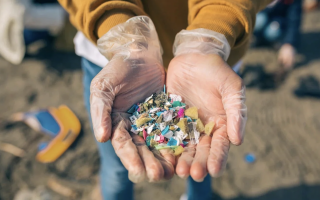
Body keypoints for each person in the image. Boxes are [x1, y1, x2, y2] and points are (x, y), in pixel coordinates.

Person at [57, 1, 272, 200]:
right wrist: (121, 36)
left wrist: (210, 36)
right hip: (117, 57)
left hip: (212, 63)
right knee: (117, 166)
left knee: (202, 162)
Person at [253, 0, 303, 70]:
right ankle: (256, 37)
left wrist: (289, 44)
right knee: (258, 21)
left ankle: (268, 41)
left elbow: (294, 20)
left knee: (272, 32)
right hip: (262, 14)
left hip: (278, 21)